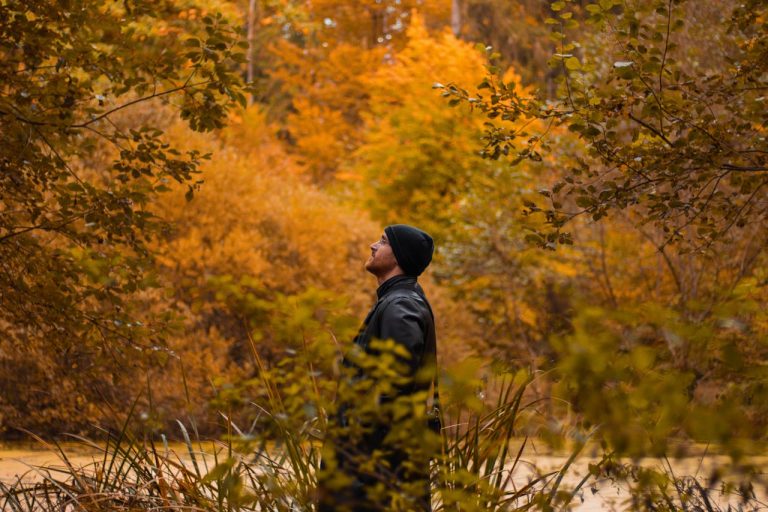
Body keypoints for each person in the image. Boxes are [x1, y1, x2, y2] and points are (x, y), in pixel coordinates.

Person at [317, 224, 438, 512]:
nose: (373, 245)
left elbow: (396, 384)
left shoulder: (401, 307)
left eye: (382, 242)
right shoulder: (398, 300)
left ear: (399, 257)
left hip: (375, 473)